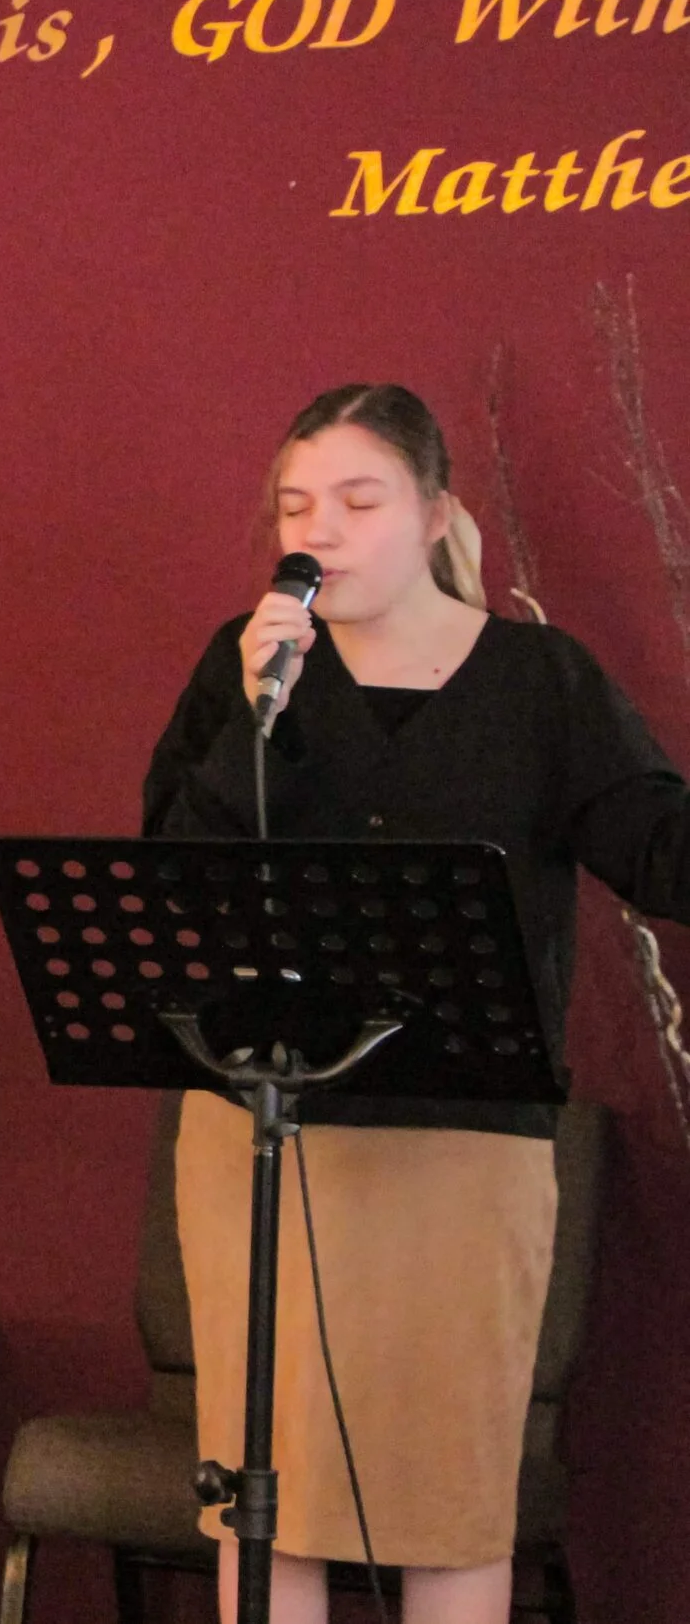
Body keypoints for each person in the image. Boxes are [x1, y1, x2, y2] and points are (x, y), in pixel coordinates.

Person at [142, 382, 690, 1624]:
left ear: (435, 511)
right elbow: (176, 874)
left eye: (357, 497)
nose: (318, 529)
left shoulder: (537, 681)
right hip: (264, 1137)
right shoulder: (244, 670)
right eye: (295, 503)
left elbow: (660, 848)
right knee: (262, 1495)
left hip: (459, 1144)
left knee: (445, 1499)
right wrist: (254, 714)